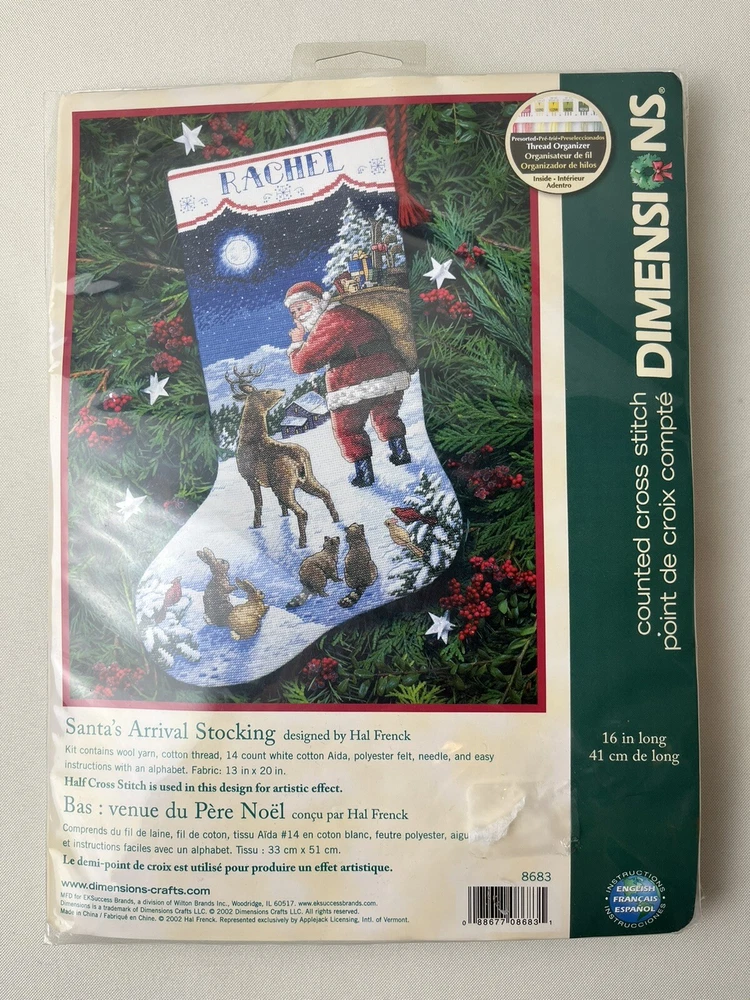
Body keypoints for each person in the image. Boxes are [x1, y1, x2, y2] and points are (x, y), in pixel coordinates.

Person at [284, 281, 411, 487]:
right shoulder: (348, 312)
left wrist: (297, 343)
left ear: (315, 302)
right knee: (386, 415)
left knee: (348, 428)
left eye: (300, 308)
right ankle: (401, 453)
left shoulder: (330, 321)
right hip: (389, 371)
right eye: (293, 312)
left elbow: (303, 363)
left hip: (354, 379)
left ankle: (365, 474)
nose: (297, 316)